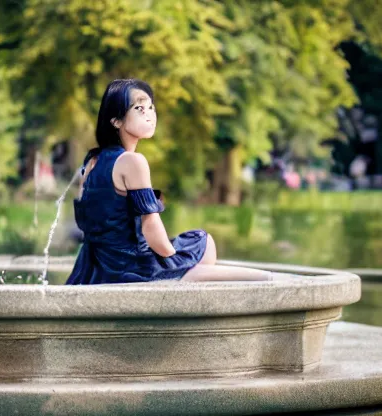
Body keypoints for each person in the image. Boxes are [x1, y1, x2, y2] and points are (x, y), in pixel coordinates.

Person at [66, 78, 293, 284]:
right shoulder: (132, 161)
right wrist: (172, 263)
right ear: (116, 120)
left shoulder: (93, 162)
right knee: (203, 244)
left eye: (151, 107)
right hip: (128, 268)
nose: (149, 114)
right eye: (139, 108)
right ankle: (270, 279)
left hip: (94, 267)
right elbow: (150, 225)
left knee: (199, 242)